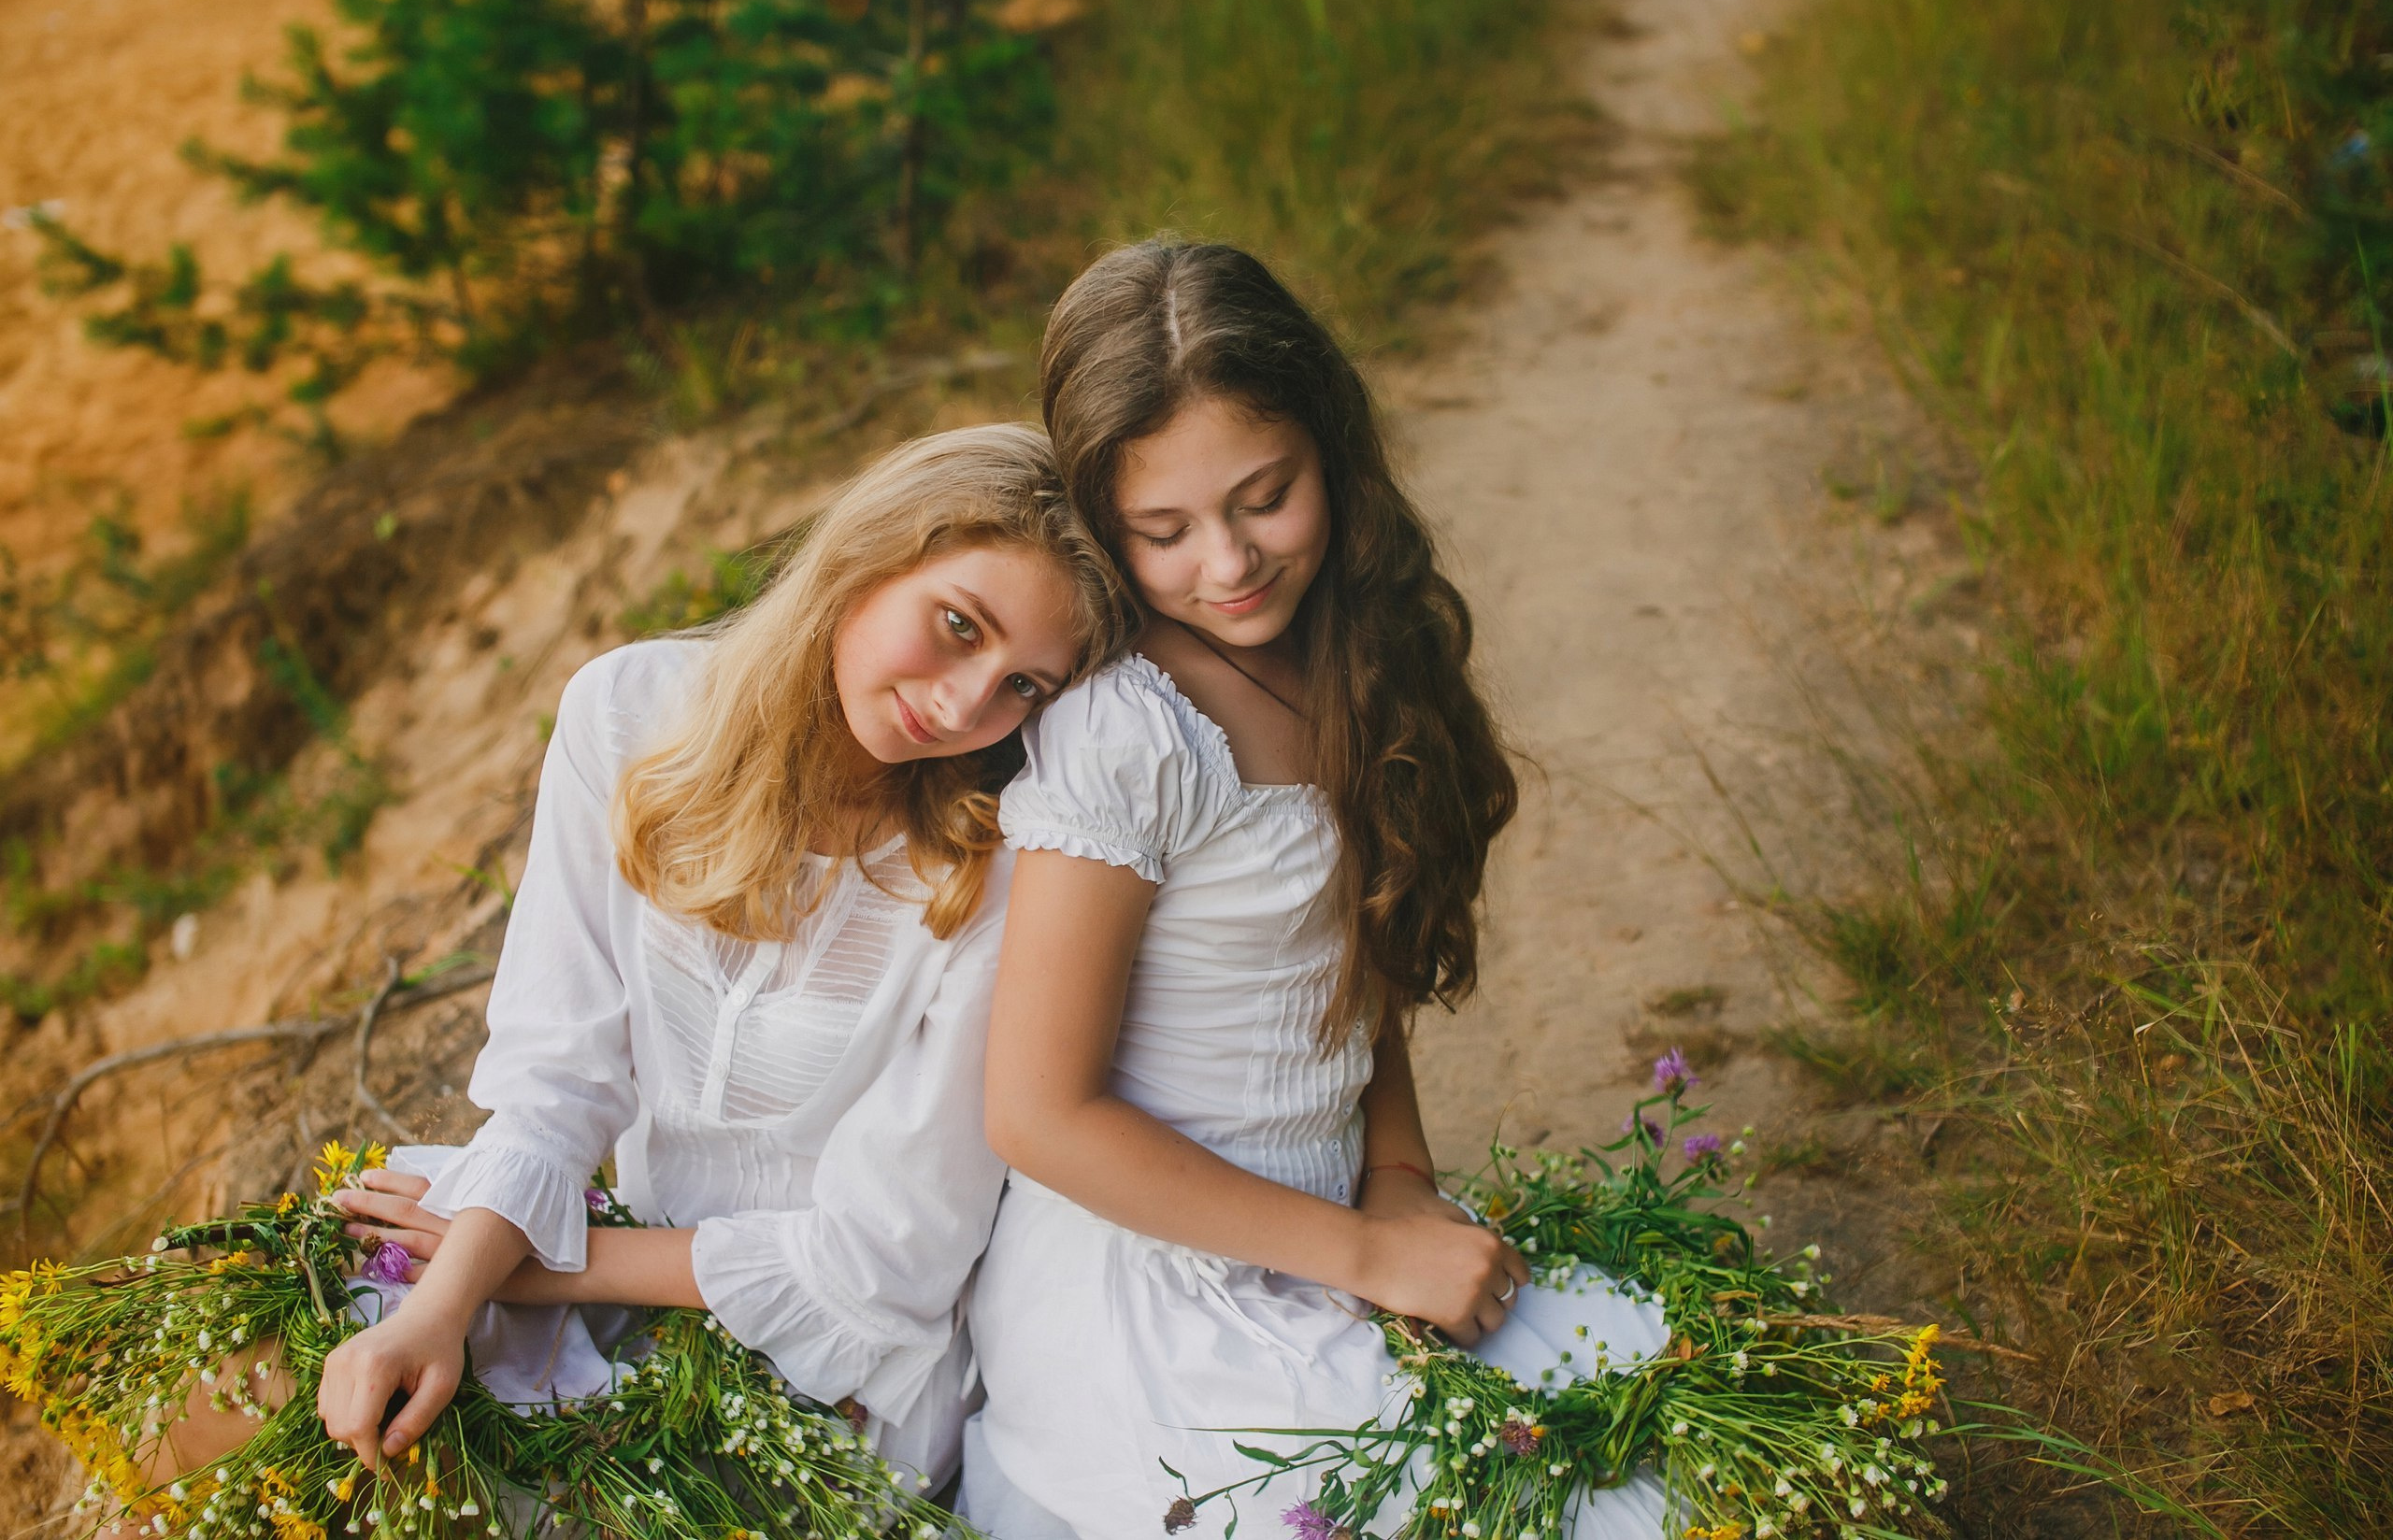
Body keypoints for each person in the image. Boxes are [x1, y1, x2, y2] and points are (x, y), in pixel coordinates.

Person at [124, 421, 1130, 1511]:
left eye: (1023, 686)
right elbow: (558, 1076)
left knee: (437, 1481)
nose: (964, 705)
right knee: (212, 1403)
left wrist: (535, 1270)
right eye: (956, 625)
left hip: (822, 1369)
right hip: (603, 1258)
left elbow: (884, 1260)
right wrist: (439, 1310)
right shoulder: (632, 714)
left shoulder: (997, 870)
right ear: (871, 554)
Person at [962, 242, 1669, 1539]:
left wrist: (1396, 1174)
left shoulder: (1352, 656)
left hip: (1339, 1221)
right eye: (1162, 532)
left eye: (1265, 498)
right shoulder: (1131, 733)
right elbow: (1037, 1113)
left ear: (1330, 453)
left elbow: (1352, 973)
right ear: (1104, 526)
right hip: (1159, 1285)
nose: (1228, 562)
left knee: (1643, 1422)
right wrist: (1365, 1252)